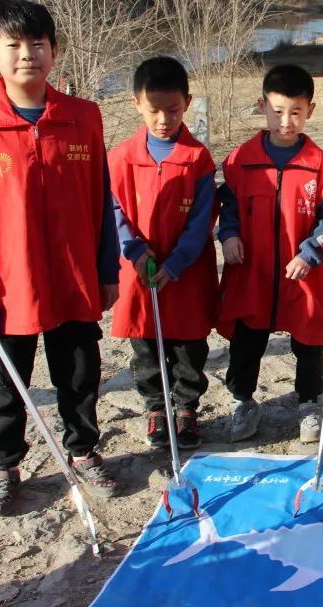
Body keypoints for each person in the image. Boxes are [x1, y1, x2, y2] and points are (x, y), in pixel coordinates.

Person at [0, 0, 120, 517]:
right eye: (13, 45)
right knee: (3, 384)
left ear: (54, 51)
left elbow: (100, 200)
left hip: (73, 277)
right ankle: (4, 463)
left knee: (80, 374)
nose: (27, 55)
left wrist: (107, 270)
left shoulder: (83, 118)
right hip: (5, 286)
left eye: (38, 44)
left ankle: (83, 450)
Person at [217, 64, 323, 443]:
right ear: (262, 107)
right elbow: (228, 206)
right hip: (252, 272)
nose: (286, 122)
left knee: (309, 340)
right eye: (278, 111)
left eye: (296, 112)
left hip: (302, 275)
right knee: (246, 341)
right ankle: (243, 401)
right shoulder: (241, 160)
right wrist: (228, 235)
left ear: (310, 111)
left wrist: (309, 253)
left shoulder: (321, 166)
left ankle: (309, 403)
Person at [108, 56, 218, 451]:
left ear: (187, 103)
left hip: (186, 272)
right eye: (153, 110)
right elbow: (113, 210)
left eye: (172, 110)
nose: (163, 120)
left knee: (188, 346)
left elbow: (202, 220)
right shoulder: (121, 158)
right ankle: (157, 407)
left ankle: (186, 408)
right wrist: (135, 249)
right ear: (136, 103)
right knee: (146, 345)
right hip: (139, 272)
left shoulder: (197, 159)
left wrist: (175, 264)